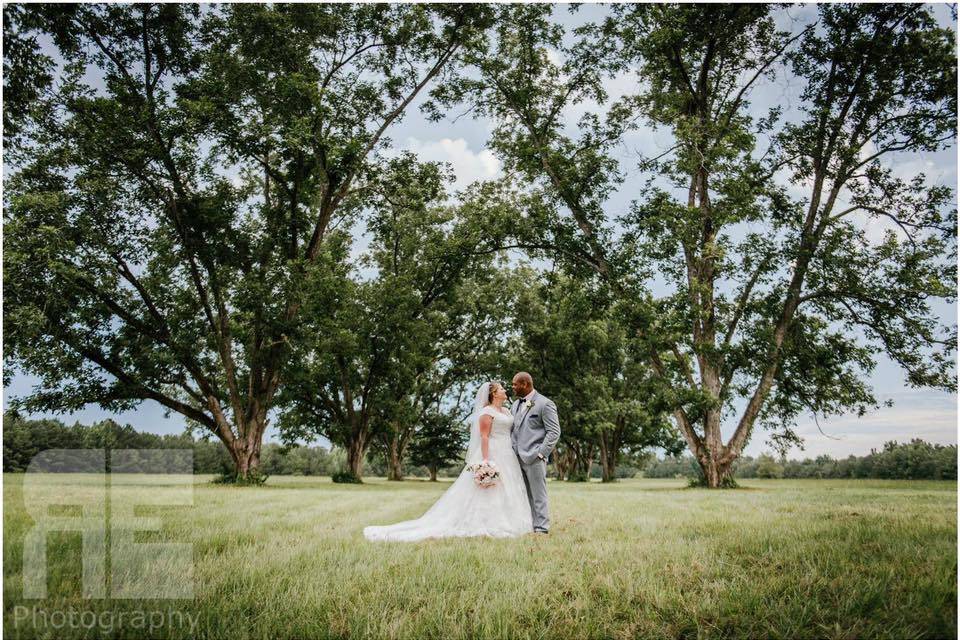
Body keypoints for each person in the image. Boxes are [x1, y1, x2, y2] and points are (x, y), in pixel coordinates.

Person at [363, 381, 533, 542]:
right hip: (492, 452)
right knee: (489, 490)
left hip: (508, 453)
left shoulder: (507, 412)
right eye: (501, 388)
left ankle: (512, 521)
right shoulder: (486, 413)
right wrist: (486, 461)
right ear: (494, 394)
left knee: (509, 487)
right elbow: (484, 437)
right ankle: (488, 523)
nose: (505, 390)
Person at [510, 372, 561, 534]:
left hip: (534, 458)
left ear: (525, 384)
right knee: (525, 495)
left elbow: (554, 432)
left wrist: (541, 454)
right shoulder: (515, 404)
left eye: (515, 384)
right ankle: (530, 525)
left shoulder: (545, 404)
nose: (513, 388)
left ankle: (542, 528)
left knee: (539, 495)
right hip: (516, 458)